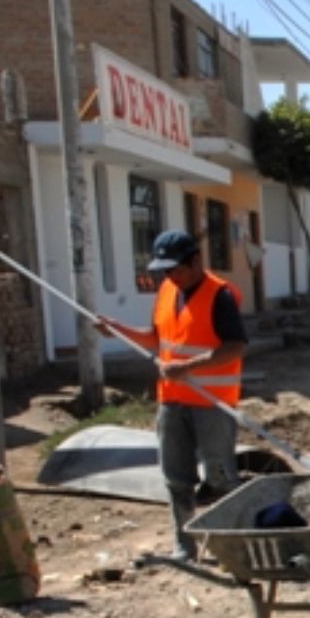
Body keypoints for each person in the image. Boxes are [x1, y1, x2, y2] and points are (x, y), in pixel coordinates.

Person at [96, 229, 246, 560]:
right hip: (172, 400)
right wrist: (118, 329)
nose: (170, 276)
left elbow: (235, 347)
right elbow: (155, 338)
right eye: (164, 271)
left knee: (220, 476)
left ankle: (233, 546)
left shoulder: (220, 295)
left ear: (196, 261)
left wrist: (188, 366)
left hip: (212, 403)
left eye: (175, 269)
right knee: (176, 476)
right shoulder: (166, 292)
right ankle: (185, 545)